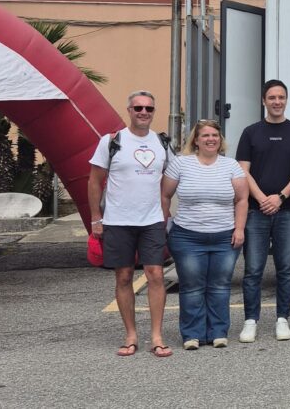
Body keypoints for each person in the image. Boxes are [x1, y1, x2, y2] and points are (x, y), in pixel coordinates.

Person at [88, 90, 172, 358]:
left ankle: (157, 336)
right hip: (118, 220)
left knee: (156, 275)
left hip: (151, 221)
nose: (143, 113)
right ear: (129, 110)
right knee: (123, 276)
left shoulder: (162, 143)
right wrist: (95, 218)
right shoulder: (112, 141)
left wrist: (166, 211)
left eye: (149, 108)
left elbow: (172, 179)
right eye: (138, 108)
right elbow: (94, 181)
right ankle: (131, 335)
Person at [161, 119, 248, 351]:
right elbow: (165, 195)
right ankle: (192, 334)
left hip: (224, 237)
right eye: (205, 135)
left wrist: (239, 229)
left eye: (215, 135)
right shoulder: (180, 164)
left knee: (220, 286)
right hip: (187, 237)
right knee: (191, 286)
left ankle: (218, 332)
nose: (211, 139)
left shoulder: (231, 166)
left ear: (220, 141)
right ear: (196, 140)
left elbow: (242, 200)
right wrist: (165, 223)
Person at [236, 79, 290, 343]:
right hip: (256, 212)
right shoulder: (250, 132)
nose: (276, 102)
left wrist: (279, 197)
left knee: (286, 269)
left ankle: (282, 319)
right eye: (272, 97)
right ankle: (250, 321)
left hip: (288, 211)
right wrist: (262, 198)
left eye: (281, 97)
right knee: (253, 269)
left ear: (286, 100)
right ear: (263, 101)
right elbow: (243, 170)